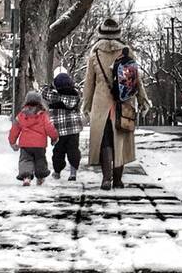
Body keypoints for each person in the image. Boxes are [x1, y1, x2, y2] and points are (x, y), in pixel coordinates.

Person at [82, 17, 150, 190]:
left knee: (105, 140)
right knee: (119, 140)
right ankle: (118, 179)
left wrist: (86, 105)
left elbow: (89, 82)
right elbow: (137, 80)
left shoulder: (95, 53)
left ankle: (106, 178)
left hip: (101, 104)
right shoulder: (127, 52)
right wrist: (142, 100)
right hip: (124, 102)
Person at [8, 90, 58, 185]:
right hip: (39, 144)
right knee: (40, 160)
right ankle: (40, 176)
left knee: (25, 160)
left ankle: (26, 177)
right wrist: (54, 137)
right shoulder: (43, 115)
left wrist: (12, 142)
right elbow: (49, 128)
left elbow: (15, 129)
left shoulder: (21, 115)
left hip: (25, 144)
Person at [43, 67, 83, 180]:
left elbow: (44, 93)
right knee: (73, 150)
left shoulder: (55, 97)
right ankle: (73, 172)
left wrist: (50, 86)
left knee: (58, 152)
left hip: (58, 129)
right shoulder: (75, 96)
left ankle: (57, 171)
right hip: (73, 129)